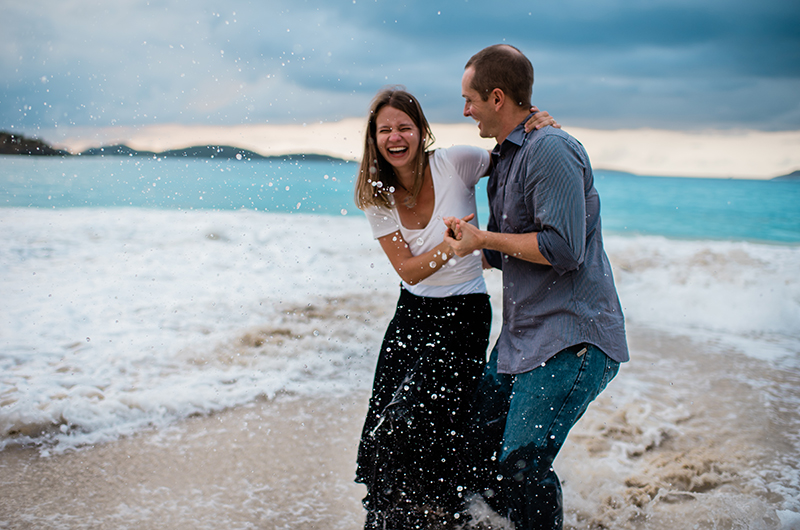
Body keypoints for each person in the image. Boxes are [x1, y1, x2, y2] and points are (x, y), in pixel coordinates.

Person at [353, 87, 557, 530]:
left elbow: (512, 157)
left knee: (417, 423)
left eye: (404, 126)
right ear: (374, 137)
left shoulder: (455, 162)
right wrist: (451, 247)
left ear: (420, 130)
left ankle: (446, 513)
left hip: (463, 314)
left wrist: (535, 123)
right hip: (411, 315)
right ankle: (397, 519)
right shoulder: (378, 196)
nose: (395, 136)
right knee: (383, 424)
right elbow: (408, 271)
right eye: (385, 129)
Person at [444, 45, 630, 530]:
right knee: (473, 456)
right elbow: (513, 250)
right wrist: (470, 246)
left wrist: (484, 239)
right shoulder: (505, 159)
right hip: (522, 339)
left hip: (571, 339)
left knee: (521, 468)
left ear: (498, 97)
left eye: (470, 100)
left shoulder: (552, 149)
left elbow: (564, 248)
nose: (465, 110)